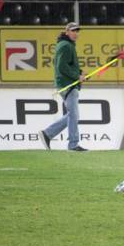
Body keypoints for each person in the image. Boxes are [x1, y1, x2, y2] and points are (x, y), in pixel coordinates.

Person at [39, 22, 87, 151]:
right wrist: (77, 77)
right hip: (68, 85)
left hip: (66, 84)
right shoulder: (66, 46)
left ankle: (48, 134)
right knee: (73, 115)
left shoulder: (66, 45)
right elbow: (61, 66)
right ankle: (72, 144)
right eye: (73, 31)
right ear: (67, 32)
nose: (76, 33)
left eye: (77, 31)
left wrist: (80, 72)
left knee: (73, 115)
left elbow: (67, 65)